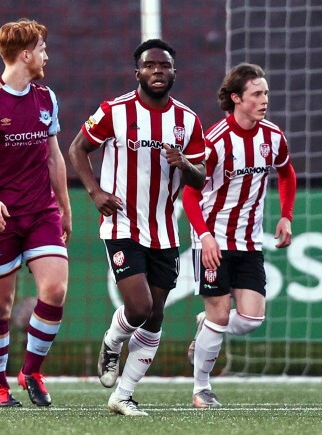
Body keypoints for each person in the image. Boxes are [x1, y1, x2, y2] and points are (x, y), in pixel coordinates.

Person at [69, 39, 206, 416]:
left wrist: (185, 165)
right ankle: (113, 342)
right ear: (138, 72)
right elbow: (77, 148)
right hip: (121, 224)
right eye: (150, 66)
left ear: (174, 72)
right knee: (140, 306)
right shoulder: (114, 111)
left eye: (164, 66)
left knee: (157, 314)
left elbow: (201, 178)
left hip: (163, 230)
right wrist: (94, 191)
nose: (158, 71)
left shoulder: (188, 121)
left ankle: (123, 396)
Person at [182, 63, 296, 408]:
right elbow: (190, 193)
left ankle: (206, 327)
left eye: (266, 93)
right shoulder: (215, 141)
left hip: (249, 241)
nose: (264, 100)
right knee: (219, 314)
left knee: (251, 320)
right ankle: (201, 388)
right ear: (236, 98)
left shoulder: (273, 137)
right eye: (257, 94)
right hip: (212, 239)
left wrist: (286, 217)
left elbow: (287, 174)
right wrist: (204, 236)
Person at [0, 19, 71, 408]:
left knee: (56, 289)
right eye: (42, 48)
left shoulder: (46, 98)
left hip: (40, 211)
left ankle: (31, 370)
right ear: (26, 54)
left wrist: (64, 206)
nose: (46, 54)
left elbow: (54, 157)